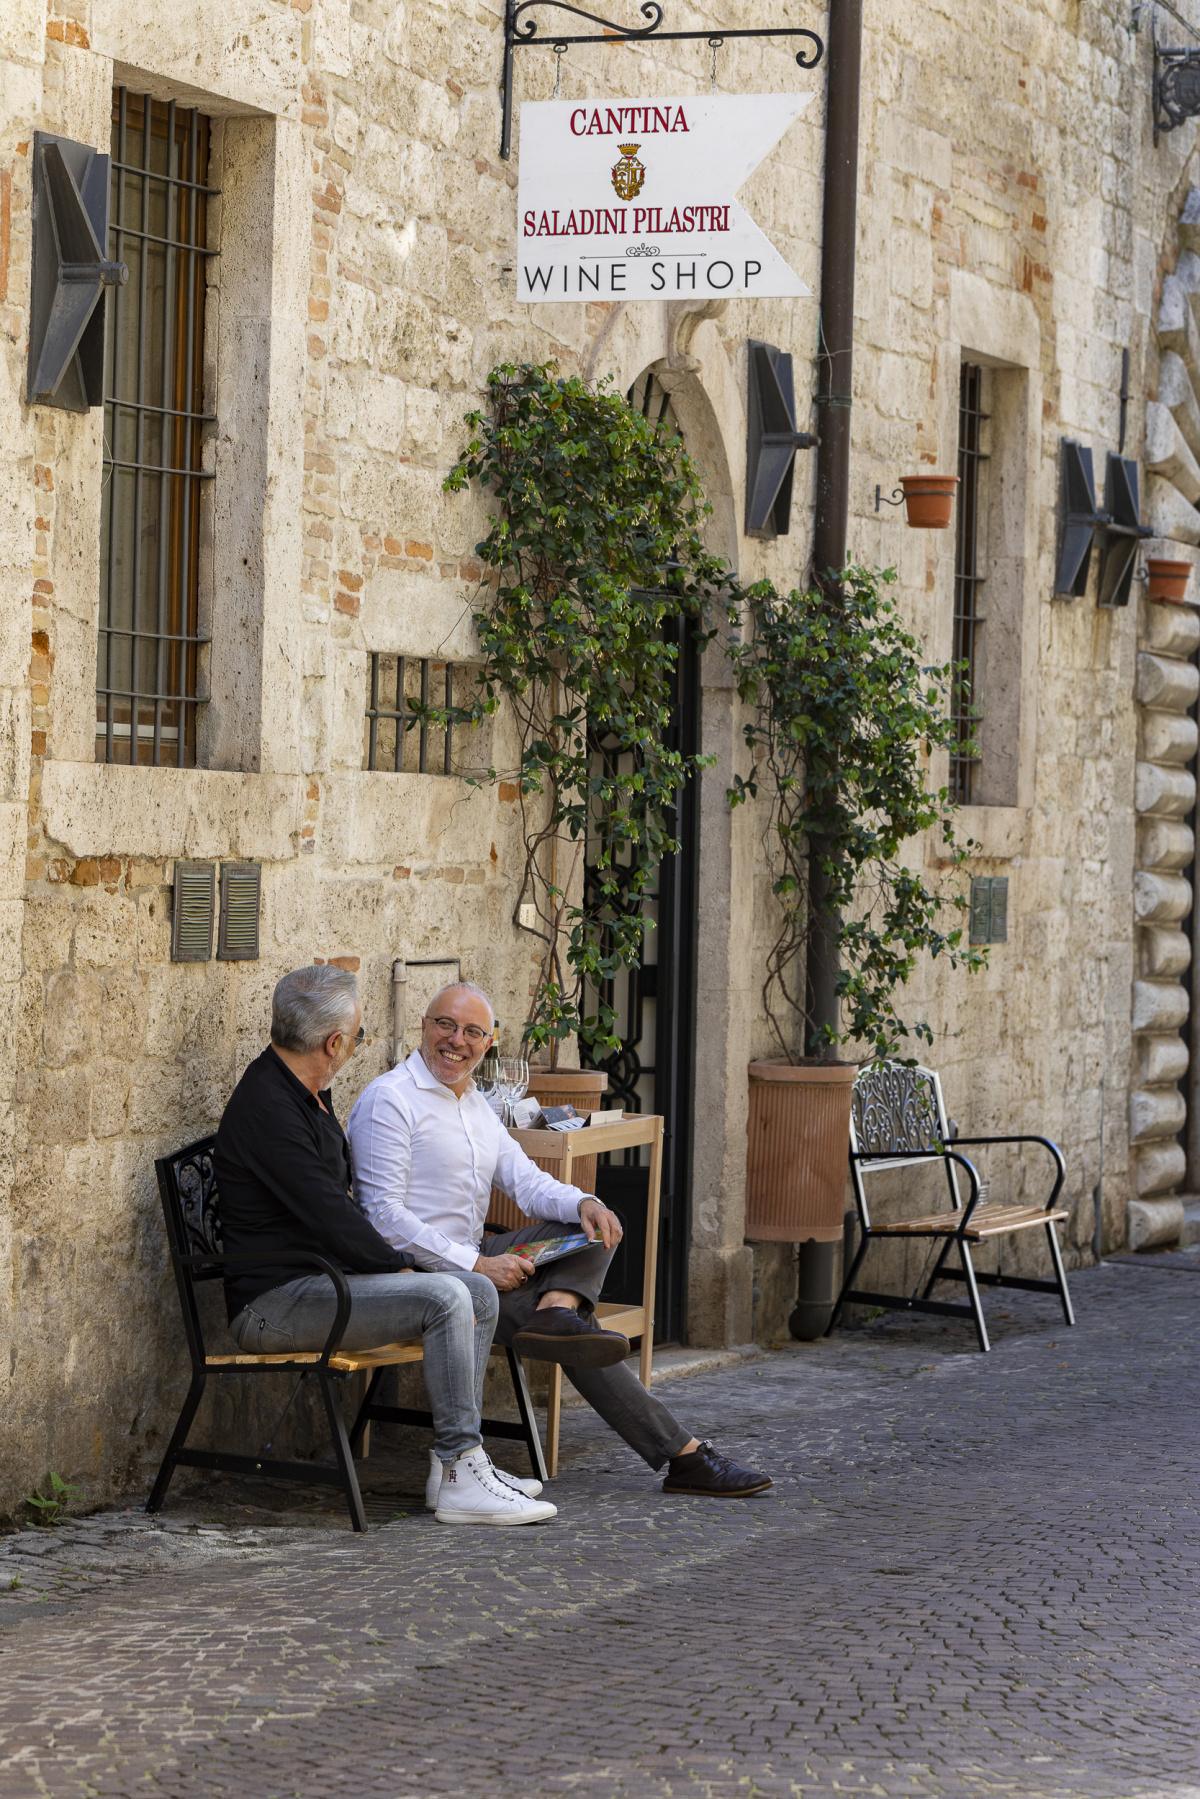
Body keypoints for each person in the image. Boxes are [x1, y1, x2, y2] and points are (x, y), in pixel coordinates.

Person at [347, 981, 772, 1498]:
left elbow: (528, 1184)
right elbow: (383, 1219)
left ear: (488, 1043)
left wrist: (584, 1202)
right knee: (581, 1335)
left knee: (594, 1226)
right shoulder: (390, 1098)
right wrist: (477, 1266)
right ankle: (684, 1454)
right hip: (423, 1277)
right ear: (424, 1025)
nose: (456, 1040)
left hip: (475, 1260)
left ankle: (558, 1310)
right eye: (446, 1025)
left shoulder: (476, 1105)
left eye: (472, 1032)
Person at [215, 965, 557, 1526]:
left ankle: (455, 1466)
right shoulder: (271, 1108)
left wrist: (403, 1268)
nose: (356, 1045)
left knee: (474, 1289)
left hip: (322, 1283)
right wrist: (399, 1268)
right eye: (358, 1036)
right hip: (274, 1305)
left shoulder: (303, 1092)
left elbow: (335, 1207)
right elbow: (331, 1215)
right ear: (333, 1043)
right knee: (448, 1295)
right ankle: (461, 1467)